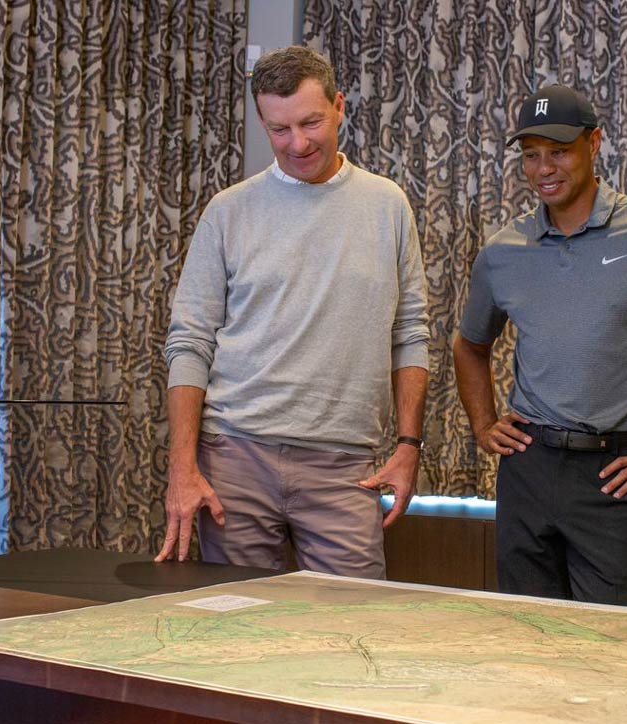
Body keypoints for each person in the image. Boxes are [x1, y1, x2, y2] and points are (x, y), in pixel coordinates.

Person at [156, 46, 430, 579]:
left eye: (311, 123)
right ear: (262, 121)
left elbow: (410, 334)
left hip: (344, 463)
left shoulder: (387, 205)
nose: (298, 144)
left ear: (339, 107)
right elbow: (189, 342)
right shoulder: (228, 211)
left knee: (353, 619)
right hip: (234, 457)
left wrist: (408, 446)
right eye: (279, 130)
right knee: (236, 618)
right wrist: (181, 468)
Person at [454, 84, 627, 608]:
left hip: (614, 474)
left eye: (558, 151)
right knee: (527, 631)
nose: (544, 169)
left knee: (616, 638)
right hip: (527, 468)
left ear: (594, 143)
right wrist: (484, 424)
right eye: (531, 155)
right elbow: (469, 347)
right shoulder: (503, 250)